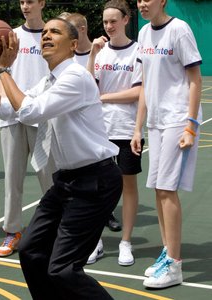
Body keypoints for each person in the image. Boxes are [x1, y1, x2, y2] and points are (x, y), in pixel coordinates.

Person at [0, 18, 123, 299]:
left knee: (63, 269)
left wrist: (4, 68)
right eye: (44, 33)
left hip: (95, 181)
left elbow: (29, 112)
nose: (46, 36)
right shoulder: (49, 80)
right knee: (30, 251)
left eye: (55, 31)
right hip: (66, 180)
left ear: (74, 44)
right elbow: (3, 110)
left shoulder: (75, 76)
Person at [133, 0, 202, 289]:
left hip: (177, 118)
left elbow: (195, 80)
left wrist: (191, 125)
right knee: (157, 188)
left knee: (166, 188)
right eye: (138, 0)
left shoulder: (180, 30)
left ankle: (175, 265)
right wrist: (137, 128)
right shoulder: (144, 34)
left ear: (162, 0)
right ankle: (166, 252)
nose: (142, 4)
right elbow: (146, 83)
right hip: (157, 120)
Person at [0, 0, 56, 258]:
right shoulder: (10, 36)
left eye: (30, 1)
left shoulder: (52, 33)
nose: (25, 6)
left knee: (49, 180)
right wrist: (5, 101)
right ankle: (12, 230)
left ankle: (54, 230)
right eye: (22, 1)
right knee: (13, 180)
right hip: (13, 116)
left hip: (42, 115)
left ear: (42, 3)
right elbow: (2, 72)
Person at [85, 0, 143, 266]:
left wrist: (106, 97)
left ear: (125, 20)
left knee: (128, 186)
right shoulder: (101, 52)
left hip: (127, 129)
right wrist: (92, 56)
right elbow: (88, 88)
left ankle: (125, 243)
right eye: (105, 22)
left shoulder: (138, 52)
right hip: (100, 130)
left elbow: (138, 92)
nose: (109, 26)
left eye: (113, 21)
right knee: (96, 189)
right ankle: (95, 242)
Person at [65, 11, 122, 233]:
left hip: (102, 121)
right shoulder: (66, 57)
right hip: (76, 125)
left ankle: (107, 212)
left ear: (81, 30)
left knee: (105, 170)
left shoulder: (102, 51)